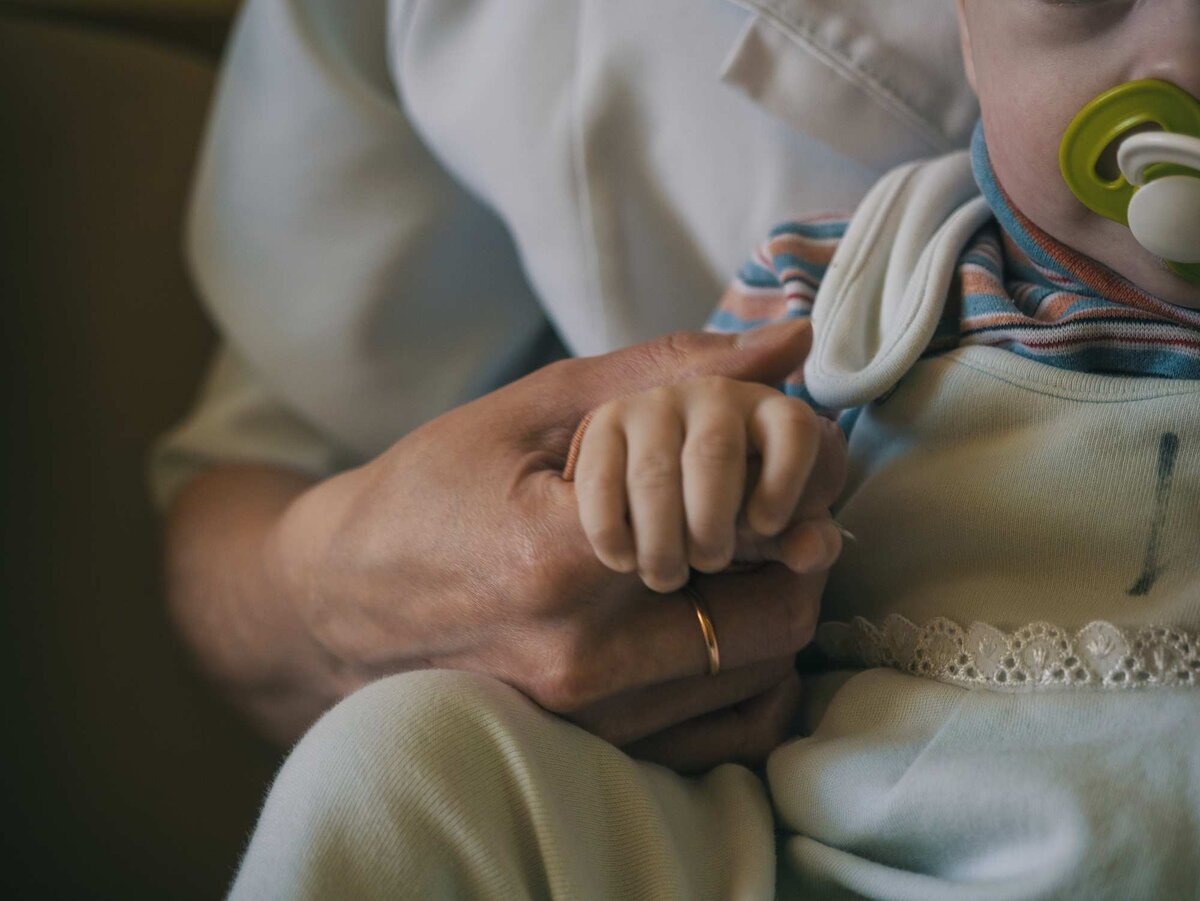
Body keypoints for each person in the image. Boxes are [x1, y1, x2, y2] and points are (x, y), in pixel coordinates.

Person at [150, 0, 995, 897]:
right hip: (737, 798)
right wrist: (358, 602)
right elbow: (269, 453)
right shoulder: (805, 274)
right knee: (393, 756)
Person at [563, 0, 1200, 897]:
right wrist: (676, 472)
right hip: (836, 862)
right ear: (969, 35)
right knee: (408, 752)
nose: (1185, 62)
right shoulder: (839, 298)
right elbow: (641, 609)